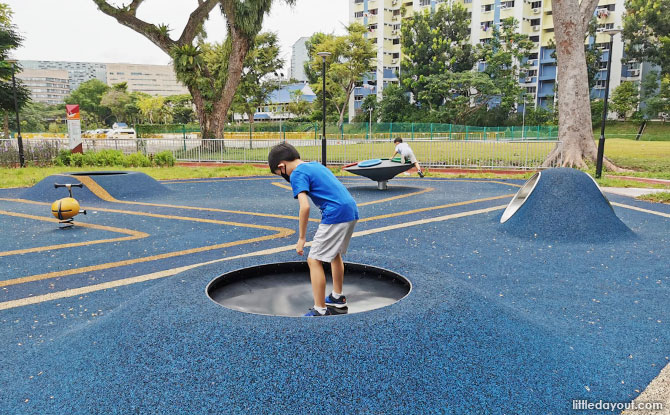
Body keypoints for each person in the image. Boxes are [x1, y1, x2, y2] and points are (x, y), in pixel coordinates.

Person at [268, 143, 359, 317]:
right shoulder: (315, 165)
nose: (283, 177)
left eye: (280, 174)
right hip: (351, 210)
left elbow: (304, 207)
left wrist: (301, 238)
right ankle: (337, 298)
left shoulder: (296, 174)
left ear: (282, 166)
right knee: (334, 254)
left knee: (314, 260)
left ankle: (319, 309)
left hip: (335, 214)